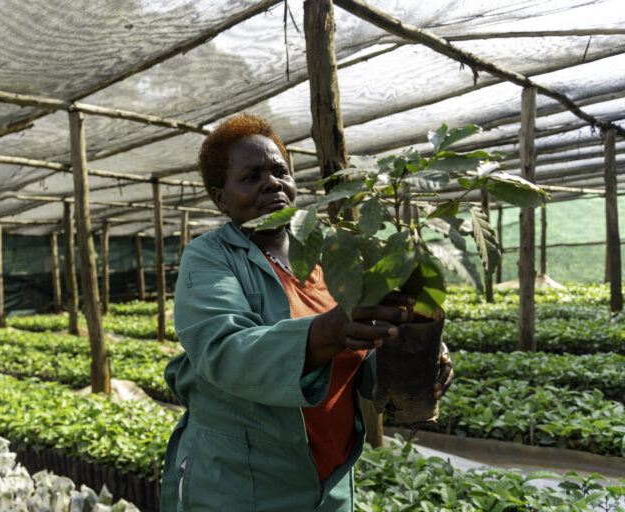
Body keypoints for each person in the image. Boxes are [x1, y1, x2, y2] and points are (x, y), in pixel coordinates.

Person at [160, 113, 453, 511]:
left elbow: (363, 359)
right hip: (241, 483)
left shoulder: (332, 253)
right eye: (251, 176)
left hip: (330, 482)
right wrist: (332, 330)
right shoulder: (209, 257)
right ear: (221, 197)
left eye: (280, 171)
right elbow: (224, 351)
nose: (271, 183)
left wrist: (414, 356)